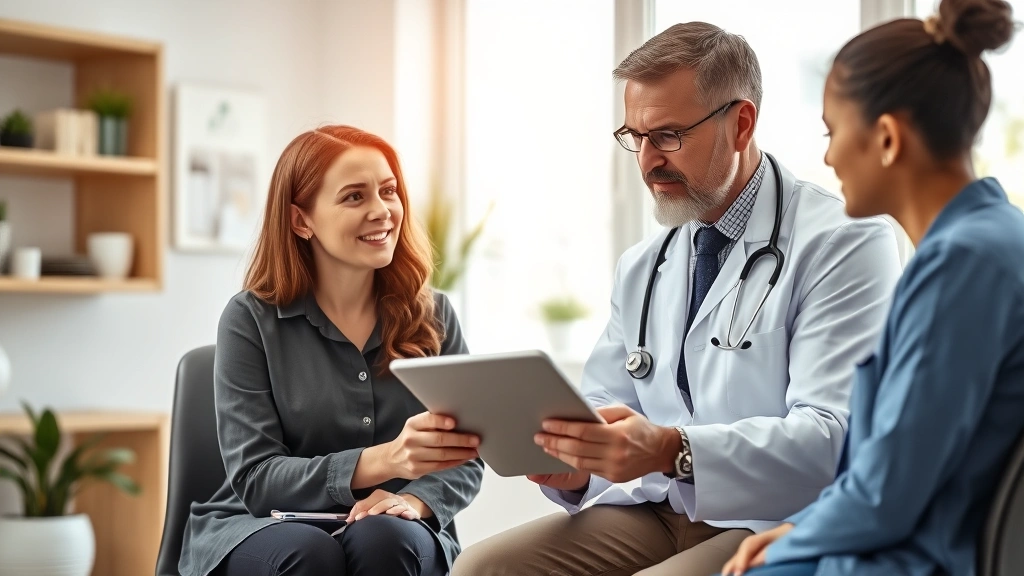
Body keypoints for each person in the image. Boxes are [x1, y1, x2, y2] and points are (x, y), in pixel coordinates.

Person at [453, 21, 902, 576]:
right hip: (661, 506)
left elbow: (834, 436)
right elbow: (609, 403)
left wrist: (675, 447)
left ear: (741, 124)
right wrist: (577, 469)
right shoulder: (646, 263)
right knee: (483, 569)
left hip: (776, 514)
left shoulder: (843, 242)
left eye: (668, 136)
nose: (646, 161)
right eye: (634, 137)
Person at [719, 1, 1024, 575]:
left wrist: (793, 540)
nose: (829, 156)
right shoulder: (993, 238)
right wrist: (798, 528)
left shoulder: (963, 265)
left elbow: (888, 491)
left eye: (835, 132)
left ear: (886, 138)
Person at [178, 125, 485, 576]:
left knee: (385, 539)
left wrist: (414, 500)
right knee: (309, 553)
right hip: (260, 526)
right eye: (354, 197)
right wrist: (384, 460)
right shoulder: (250, 320)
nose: (382, 211)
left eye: (388, 191)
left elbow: (467, 454)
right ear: (301, 220)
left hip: (396, 524)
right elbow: (257, 478)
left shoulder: (434, 314)